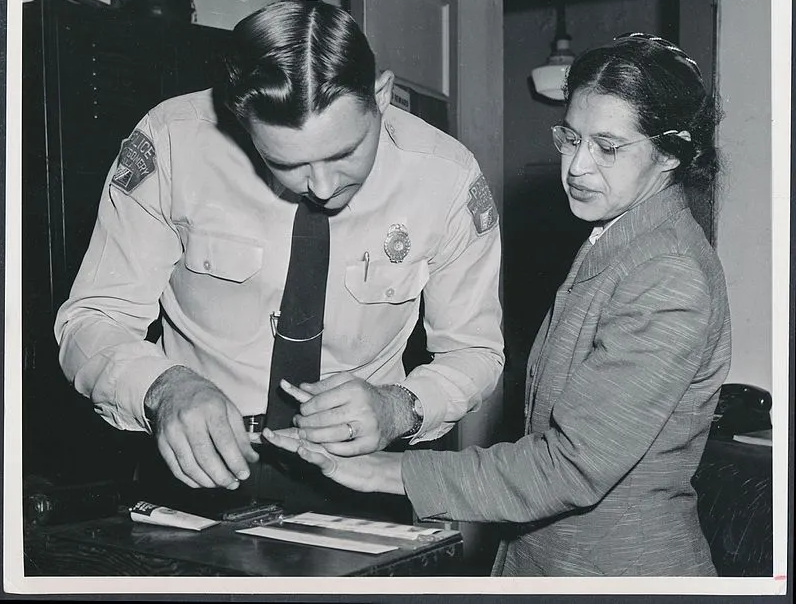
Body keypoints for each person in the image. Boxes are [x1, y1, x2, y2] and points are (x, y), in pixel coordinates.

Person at [265, 32, 732, 576]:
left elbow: (572, 467)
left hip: (618, 569)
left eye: (607, 147)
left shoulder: (667, 273)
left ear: (671, 153)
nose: (578, 166)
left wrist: (383, 471)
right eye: (571, 138)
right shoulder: (622, 238)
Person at [54, 0, 504, 512]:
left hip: (364, 476)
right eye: (286, 163)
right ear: (240, 121)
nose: (323, 186)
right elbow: (92, 319)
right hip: (195, 470)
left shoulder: (446, 177)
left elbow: (476, 351)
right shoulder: (172, 142)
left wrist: (400, 406)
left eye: (344, 153)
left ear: (381, 95)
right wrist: (163, 388)